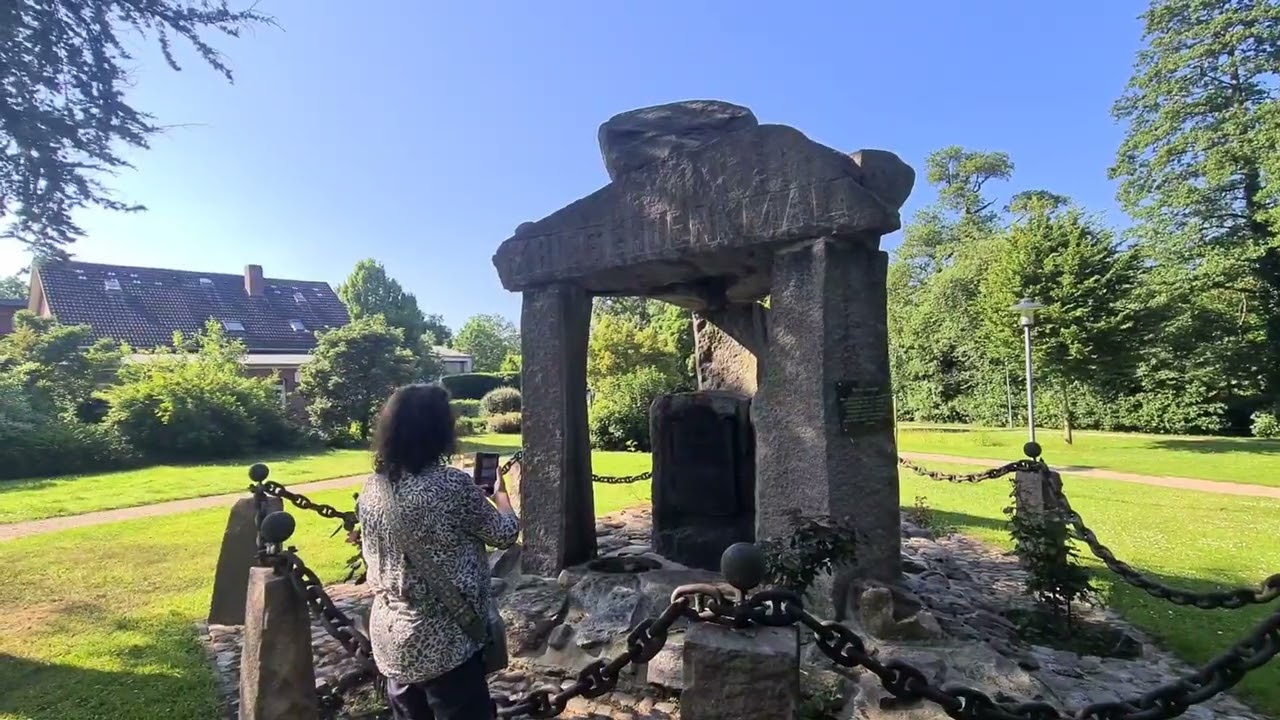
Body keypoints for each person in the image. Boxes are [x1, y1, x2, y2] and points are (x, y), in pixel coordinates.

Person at [357, 383, 520, 720]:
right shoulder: (450, 485)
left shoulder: (373, 487)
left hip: (392, 638)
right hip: (447, 642)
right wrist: (501, 496)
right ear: (439, 431)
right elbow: (504, 534)